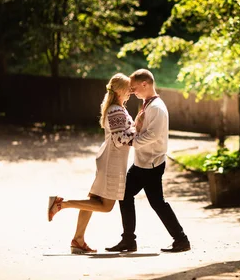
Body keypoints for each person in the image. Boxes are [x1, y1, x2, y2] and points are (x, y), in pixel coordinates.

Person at [47, 73, 136, 254]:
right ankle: (61, 204)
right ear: (119, 90)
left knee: (92, 201)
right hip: (113, 163)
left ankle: (77, 240)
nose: (131, 93)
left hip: (109, 160)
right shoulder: (116, 110)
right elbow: (120, 139)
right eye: (128, 89)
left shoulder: (114, 108)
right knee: (105, 206)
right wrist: (139, 131)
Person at [105, 69, 191, 253]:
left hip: (151, 164)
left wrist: (131, 141)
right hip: (141, 163)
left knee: (157, 203)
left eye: (134, 88)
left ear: (145, 84)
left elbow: (153, 135)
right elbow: (142, 128)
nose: (132, 91)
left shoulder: (157, 108)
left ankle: (181, 240)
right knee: (125, 195)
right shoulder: (147, 103)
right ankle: (129, 240)